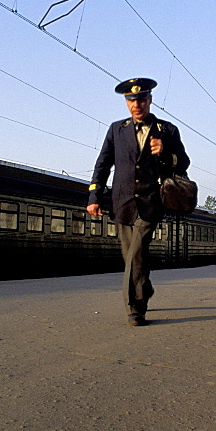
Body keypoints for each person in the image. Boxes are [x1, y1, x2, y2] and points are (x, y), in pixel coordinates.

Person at [86, 78, 190, 326]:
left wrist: (165, 152)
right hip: (121, 202)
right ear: (126, 102)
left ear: (150, 100)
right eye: (131, 100)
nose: (136, 104)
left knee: (137, 252)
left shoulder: (168, 130)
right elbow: (103, 165)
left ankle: (135, 307)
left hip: (151, 201)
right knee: (131, 256)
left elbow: (184, 162)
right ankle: (146, 287)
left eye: (141, 99)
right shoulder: (115, 129)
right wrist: (94, 197)